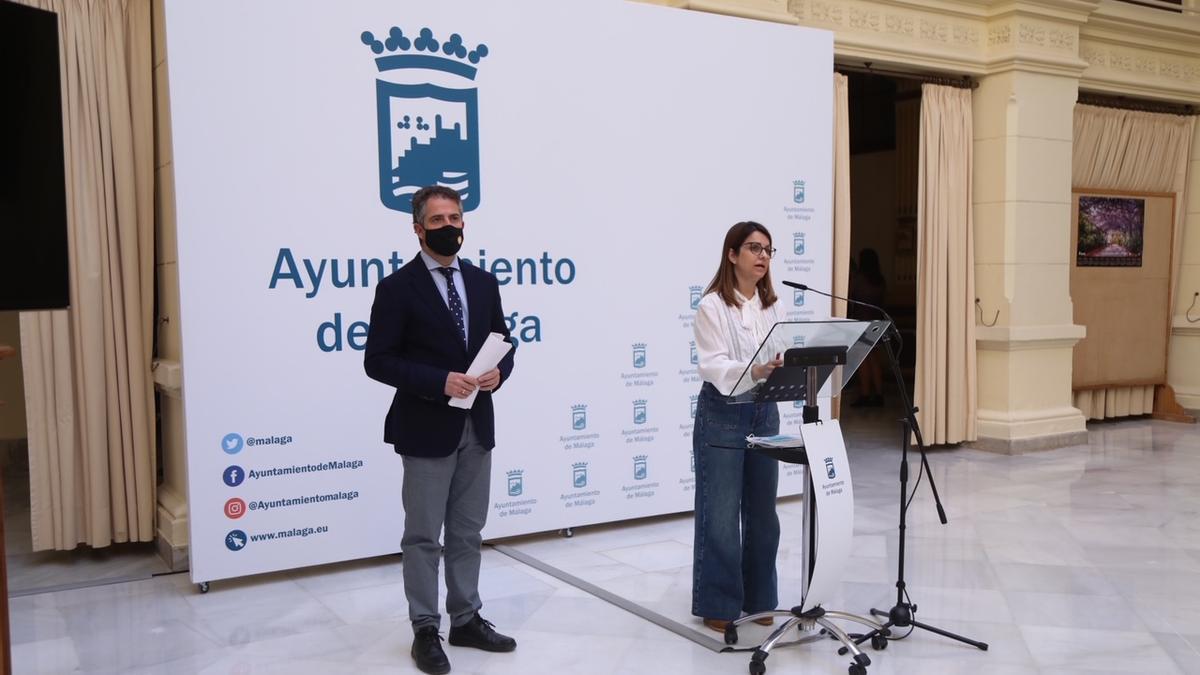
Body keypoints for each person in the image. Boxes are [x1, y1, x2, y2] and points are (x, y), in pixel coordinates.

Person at [364, 185, 517, 675]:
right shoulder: (396, 288)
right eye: (438, 220)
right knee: (424, 536)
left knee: (469, 531)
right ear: (417, 229)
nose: (450, 227)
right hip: (426, 426)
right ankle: (425, 629)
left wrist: (499, 372)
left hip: (478, 424)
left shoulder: (483, 282)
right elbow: (377, 361)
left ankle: (466, 618)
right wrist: (438, 381)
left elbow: (503, 342)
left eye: (456, 218)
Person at [691, 221, 786, 633]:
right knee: (722, 515)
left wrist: (781, 367)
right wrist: (756, 370)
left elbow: (781, 355)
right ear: (732, 255)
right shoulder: (712, 306)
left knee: (764, 513)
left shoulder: (774, 307)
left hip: (765, 412)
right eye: (753, 248)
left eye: (768, 250)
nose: (763, 256)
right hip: (724, 414)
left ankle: (760, 597)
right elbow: (713, 365)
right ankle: (720, 601)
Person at [848, 247, 886, 407]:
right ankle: (878, 394)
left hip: (861, 322)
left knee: (862, 360)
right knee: (875, 360)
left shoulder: (859, 279)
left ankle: (864, 394)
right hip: (877, 322)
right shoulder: (880, 280)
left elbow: (850, 298)